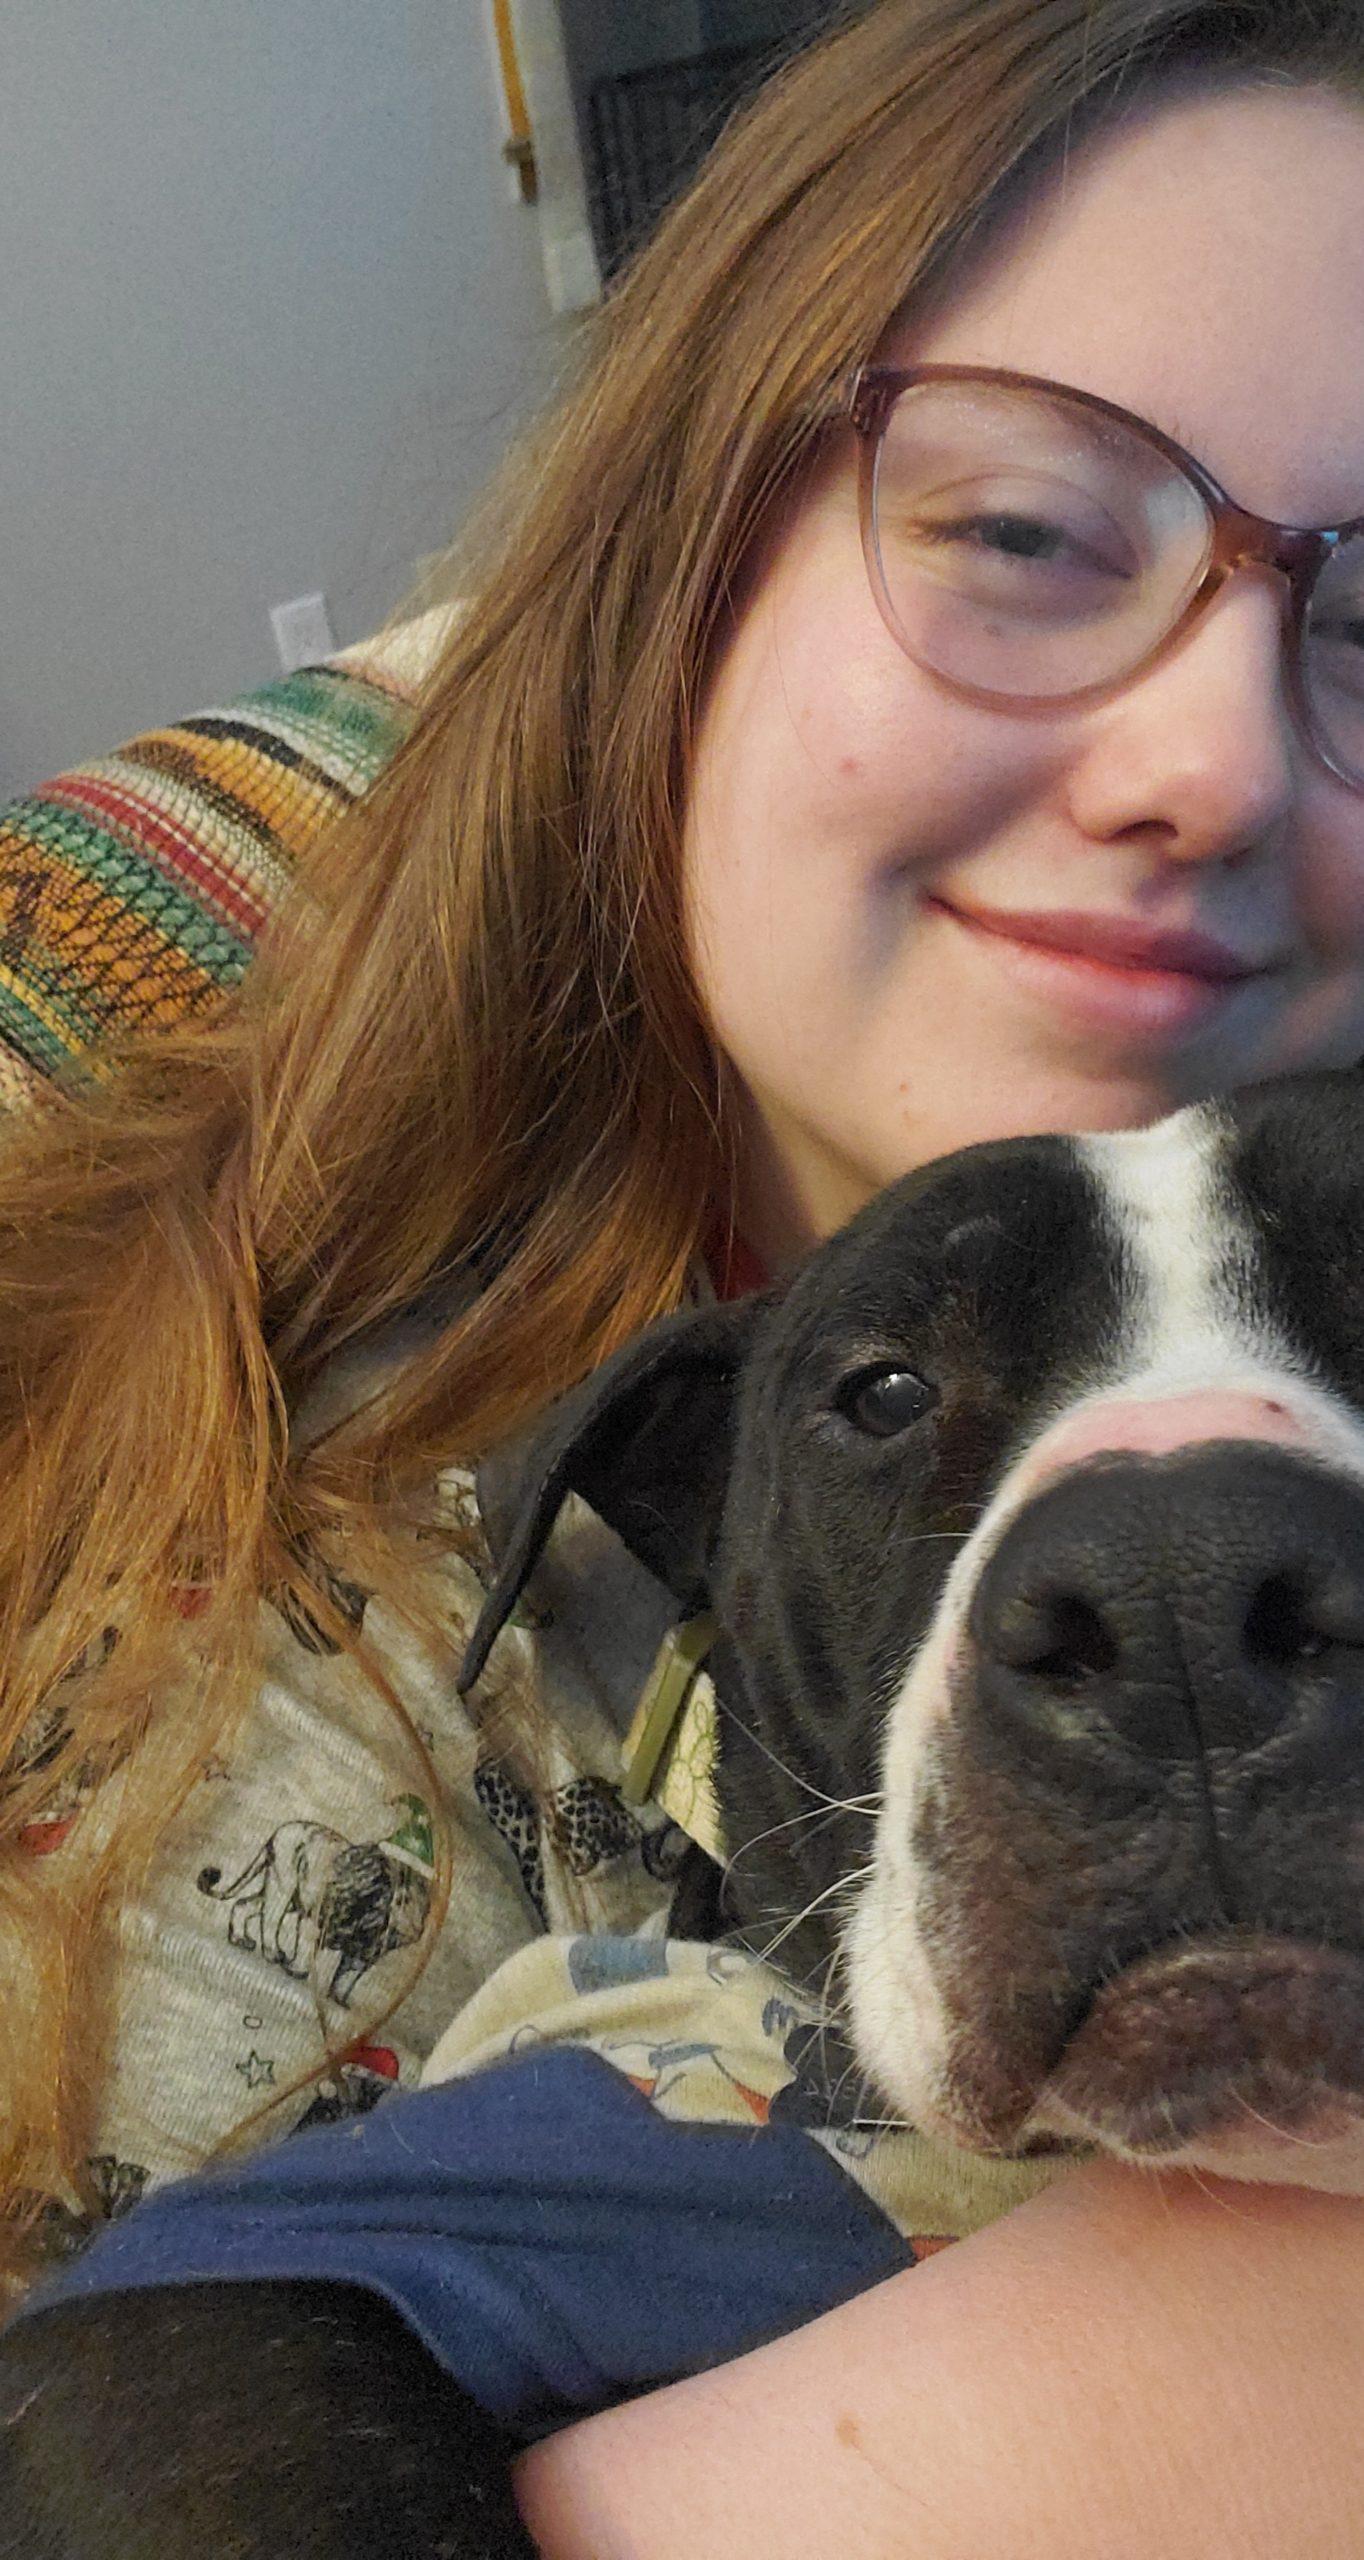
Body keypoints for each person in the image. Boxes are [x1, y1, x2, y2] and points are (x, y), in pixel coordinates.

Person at [3, 0, 1364, 2549]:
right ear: (671, 575)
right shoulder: (180, 1515)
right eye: (1023, 530)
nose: (1214, 754)